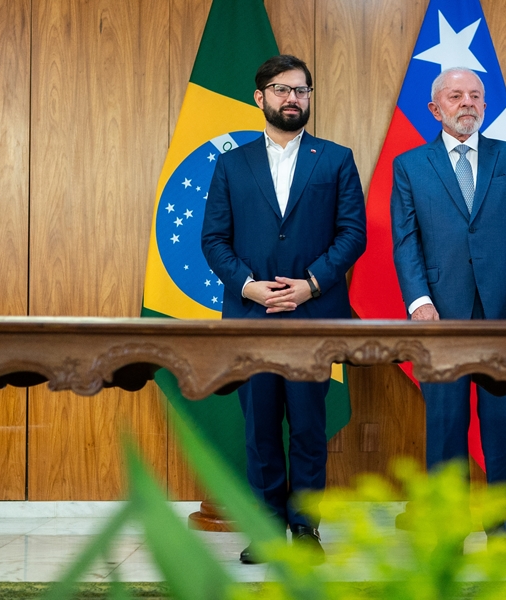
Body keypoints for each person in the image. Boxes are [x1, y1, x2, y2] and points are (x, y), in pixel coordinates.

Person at [201, 54, 367, 564]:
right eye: (281, 89)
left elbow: (353, 234)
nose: (292, 98)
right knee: (260, 426)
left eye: (301, 90)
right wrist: (250, 288)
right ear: (260, 97)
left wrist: (310, 285)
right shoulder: (231, 164)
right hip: (251, 318)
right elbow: (213, 239)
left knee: (309, 425)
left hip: (313, 316)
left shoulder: (336, 159)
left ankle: (305, 528)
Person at [390, 67, 506, 539]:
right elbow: (406, 240)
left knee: (503, 427)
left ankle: (504, 531)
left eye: (476, 96)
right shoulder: (411, 165)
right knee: (445, 424)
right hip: (439, 317)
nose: (468, 103)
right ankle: (444, 528)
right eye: (456, 96)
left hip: (504, 316)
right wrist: (418, 301)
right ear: (435, 109)